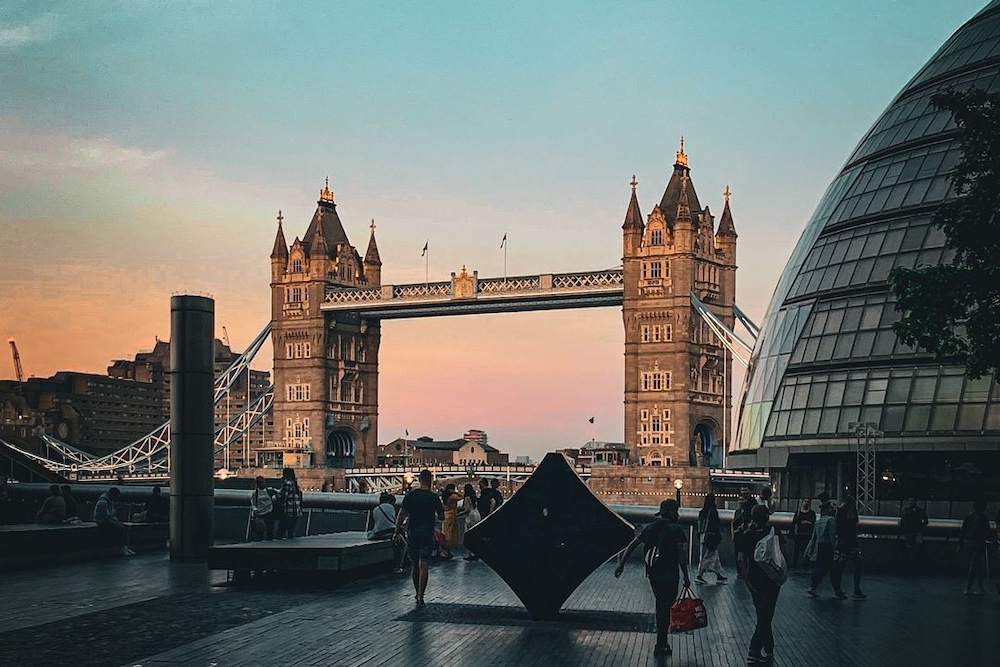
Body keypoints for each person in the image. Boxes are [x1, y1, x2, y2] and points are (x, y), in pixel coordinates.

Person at [615, 498, 691, 658]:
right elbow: (681, 554)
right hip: (671, 574)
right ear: (672, 512)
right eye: (676, 510)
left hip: (654, 574)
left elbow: (633, 544)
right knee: (666, 607)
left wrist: (621, 564)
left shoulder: (651, 528)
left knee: (660, 605)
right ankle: (662, 643)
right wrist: (686, 575)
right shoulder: (677, 529)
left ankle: (661, 642)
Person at [737, 504, 783, 665]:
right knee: (766, 615)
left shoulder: (747, 535)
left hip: (754, 578)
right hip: (771, 578)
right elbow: (780, 551)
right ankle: (754, 650)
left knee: (762, 614)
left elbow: (741, 559)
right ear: (767, 517)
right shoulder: (773, 532)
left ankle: (769, 649)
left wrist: (746, 579)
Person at [394, 469, 444, 606]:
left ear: (419, 479)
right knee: (424, 564)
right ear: (430, 480)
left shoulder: (411, 495)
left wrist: (397, 530)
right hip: (427, 533)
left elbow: (402, 513)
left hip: (412, 532)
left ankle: (417, 593)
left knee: (414, 564)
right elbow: (442, 516)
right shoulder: (434, 497)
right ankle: (422, 595)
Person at [806, 501, 842, 598]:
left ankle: (813, 586)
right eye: (831, 508)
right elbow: (832, 536)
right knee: (835, 569)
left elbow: (814, 538)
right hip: (829, 546)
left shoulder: (818, 522)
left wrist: (811, 550)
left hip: (821, 546)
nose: (834, 510)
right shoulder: (832, 520)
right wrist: (835, 549)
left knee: (820, 568)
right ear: (826, 510)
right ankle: (837, 591)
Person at [961, 500, 993, 595]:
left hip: (968, 542)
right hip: (979, 543)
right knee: (976, 565)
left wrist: (960, 544)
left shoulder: (969, 517)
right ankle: (969, 588)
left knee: (976, 565)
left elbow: (963, 531)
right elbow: (987, 532)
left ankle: (979, 588)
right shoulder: (983, 518)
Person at [369, 492, 405, 573]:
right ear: (390, 502)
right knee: (403, 545)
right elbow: (395, 523)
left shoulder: (375, 509)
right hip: (390, 532)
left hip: (378, 533)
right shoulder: (390, 507)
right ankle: (398, 566)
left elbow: (373, 524)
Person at [695, 492, 727, 584]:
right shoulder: (713, 512)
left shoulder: (702, 512)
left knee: (713, 556)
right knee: (709, 557)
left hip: (703, 536)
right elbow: (715, 525)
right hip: (711, 537)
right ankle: (699, 576)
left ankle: (719, 575)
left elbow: (699, 525)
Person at [94, 487, 135, 556]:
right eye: (116, 496)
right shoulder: (103, 502)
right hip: (102, 521)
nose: (116, 498)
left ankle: (124, 547)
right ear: (112, 494)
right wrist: (116, 510)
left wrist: (117, 520)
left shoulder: (109, 501)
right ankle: (122, 547)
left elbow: (110, 515)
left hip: (107, 519)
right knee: (121, 528)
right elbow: (107, 515)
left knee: (124, 527)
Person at [899, 498, 928, 573]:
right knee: (913, 547)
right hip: (913, 531)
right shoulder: (920, 511)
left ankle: (913, 564)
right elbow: (925, 521)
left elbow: (902, 521)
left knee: (913, 547)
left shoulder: (907, 511)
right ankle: (914, 564)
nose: (911, 503)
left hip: (911, 531)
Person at [274, 468, 303, 539]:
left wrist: (275, 495)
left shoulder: (287, 483)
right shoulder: (295, 484)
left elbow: (283, 496)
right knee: (291, 534)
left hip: (287, 512)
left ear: (286, 474)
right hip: (296, 512)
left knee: (280, 533)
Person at [790, 499, 816, 570]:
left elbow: (813, 523)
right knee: (797, 550)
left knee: (805, 550)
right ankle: (796, 565)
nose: (806, 503)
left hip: (806, 534)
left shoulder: (811, 513)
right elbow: (794, 522)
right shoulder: (799, 512)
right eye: (805, 501)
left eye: (807, 502)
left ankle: (805, 565)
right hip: (800, 534)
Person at [460, 483, 481, 561]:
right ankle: (476, 553)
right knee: (475, 535)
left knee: (469, 536)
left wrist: (458, 514)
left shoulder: (467, 498)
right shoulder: (474, 497)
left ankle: (470, 554)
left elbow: (467, 510)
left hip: (470, 516)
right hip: (477, 514)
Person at [250, 476, 274, 541]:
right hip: (260, 513)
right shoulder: (255, 493)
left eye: (262, 482)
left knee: (269, 530)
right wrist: (255, 510)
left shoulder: (269, 490)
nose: (262, 484)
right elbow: (253, 503)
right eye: (260, 483)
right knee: (260, 531)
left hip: (268, 512)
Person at [440, 483, 460, 558]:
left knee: (445, 532)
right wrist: (455, 492)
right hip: (451, 516)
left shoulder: (445, 496)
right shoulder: (452, 496)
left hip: (446, 514)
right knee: (450, 534)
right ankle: (447, 550)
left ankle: (445, 551)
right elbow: (461, 496)